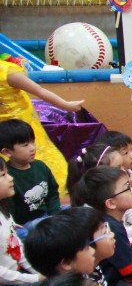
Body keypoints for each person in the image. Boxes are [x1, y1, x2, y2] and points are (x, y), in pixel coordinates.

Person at [0, 52, 82, 195]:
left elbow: (40, 91)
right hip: (4, 132)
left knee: (35, 158)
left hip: (21, 126)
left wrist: (65, 105)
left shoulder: (7, 73)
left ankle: (51, 192)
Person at [0, 119, 61, 231]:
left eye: (33, 142)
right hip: (25, 224)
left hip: (47, 215)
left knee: (76, 211)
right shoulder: (7, 178)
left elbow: (52, 194)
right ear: (7, 152)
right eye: (25, 145)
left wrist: (55, 215)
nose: (32, 148)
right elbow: (9, 209)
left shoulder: (40, 166)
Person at [0, 156, 41, 286]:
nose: (10, 178)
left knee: (56, 272)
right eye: (3, 175)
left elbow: (17, 247)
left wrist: (38, 272)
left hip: (16, 276)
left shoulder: (4, 212)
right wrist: (35, 279)